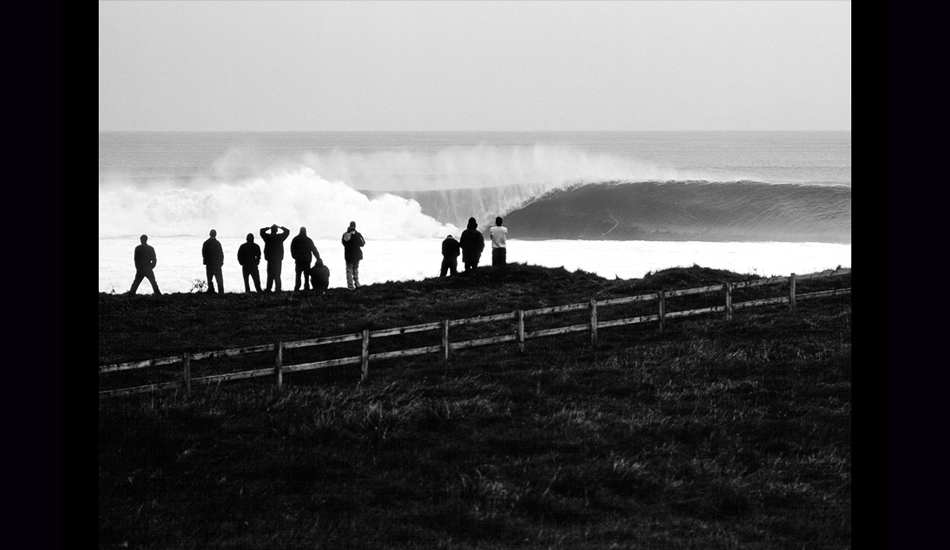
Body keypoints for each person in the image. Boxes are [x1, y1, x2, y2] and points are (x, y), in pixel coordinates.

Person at [260, 224, 290, 292]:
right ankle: (278, 288)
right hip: (278, 259)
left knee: (270, 275)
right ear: (277, 230)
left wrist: (268, 227)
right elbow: (287, 231)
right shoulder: (280, 237)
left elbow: (261, 231)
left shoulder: (268, 237)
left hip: (270, 259)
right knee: (277, 274)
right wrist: (280, 227)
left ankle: (268, 288)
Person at [290, 227, 321, 291]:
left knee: (298, 275)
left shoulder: (295, 239)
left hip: (298, 260)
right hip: (307, 260)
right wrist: (318, 257)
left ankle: (297, 287)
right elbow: (314, 249)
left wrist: (294, 256)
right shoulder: (308, 240)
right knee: (306, 275)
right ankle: (306, 287)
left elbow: (292, 249)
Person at [342, 221, 366, 290]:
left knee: (349, 271)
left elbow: (343, 243)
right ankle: (357, 284)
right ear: (355, 226)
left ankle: (350, 287)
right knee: (355, 270)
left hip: (348, 255)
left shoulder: (345, 235)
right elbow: (363, 243)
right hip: (356, 255)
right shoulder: (358, 234)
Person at [202, 229, 225, 293]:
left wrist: (206, 261)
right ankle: (221, 292)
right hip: (217, 264)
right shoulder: (217, 243)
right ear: (215, 235)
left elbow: (204, 253)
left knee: (209, 279)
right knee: (219, 280)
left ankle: (211, 290)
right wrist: (221, 262)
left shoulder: (206, 243)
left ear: (209, 234)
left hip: (209, 264)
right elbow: (221, 254)